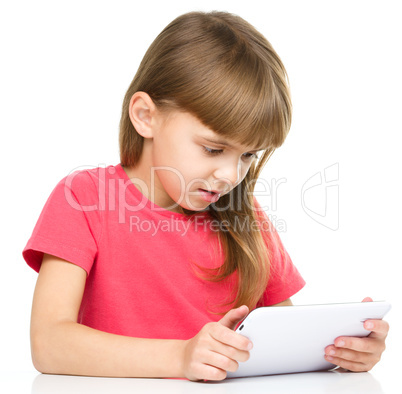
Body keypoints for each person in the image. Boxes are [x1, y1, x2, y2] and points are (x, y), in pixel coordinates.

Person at [22, 11, 388, 381]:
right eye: (213, 149)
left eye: (248, 155)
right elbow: (49, 343)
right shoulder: (84, 199)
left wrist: (338, 351)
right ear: (146, 116)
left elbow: (285, 339)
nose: (231, 176)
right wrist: (180, 357)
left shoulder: (245, 218)